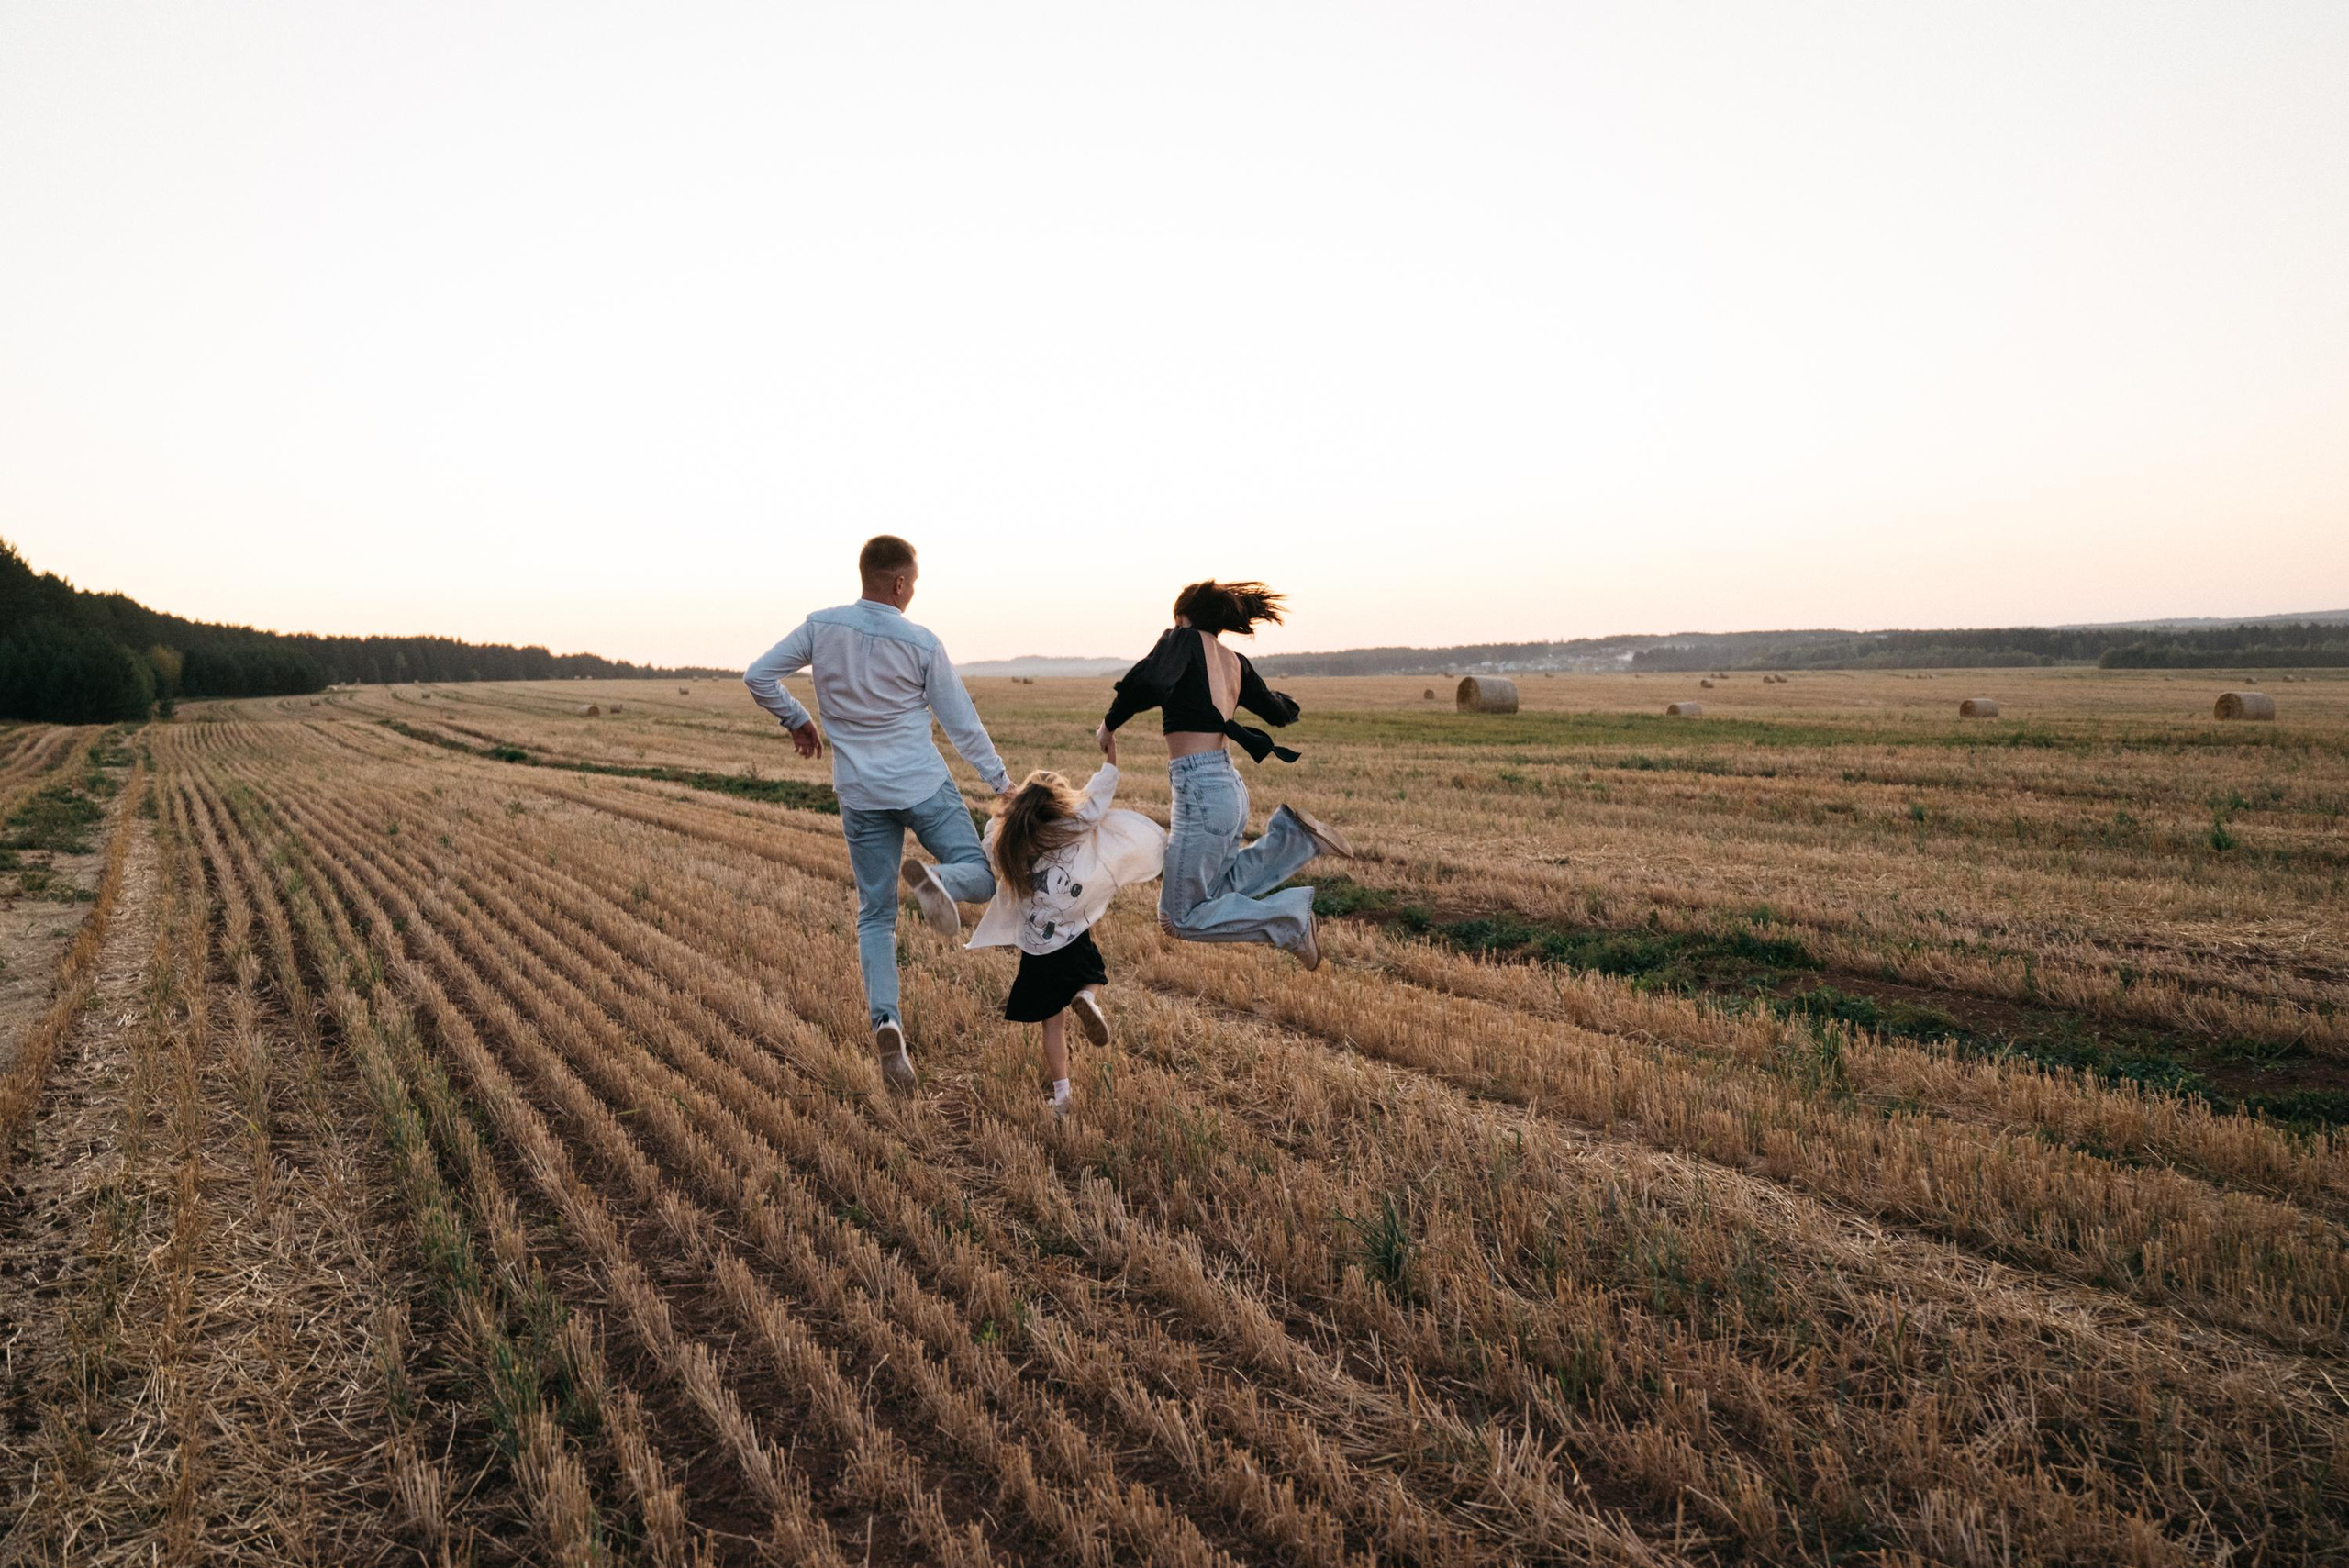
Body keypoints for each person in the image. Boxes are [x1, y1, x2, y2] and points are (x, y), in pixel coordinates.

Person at [743, 534, 1013, 1088]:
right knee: (983, 874)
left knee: (875, 916)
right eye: (913, 583)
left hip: (860, 796)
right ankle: (938, 878)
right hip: (921, 785)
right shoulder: (921, 641)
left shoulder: (821, 626)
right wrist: (1001, 782)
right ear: (897, 583)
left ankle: (887, 1023)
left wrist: (795, 717)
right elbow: (961, 722)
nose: (913, 592)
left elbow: (757, 675)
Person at [1097, 580, 1353, 967]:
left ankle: (1290, 921)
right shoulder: (1236, 662)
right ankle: (1294, 839)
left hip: (1200, 790)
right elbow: (1278, 712)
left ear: (1183, 617)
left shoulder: (1181, 640)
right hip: (1228, 788)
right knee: (1217, 891)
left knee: (1177, 918)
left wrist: (1109, 724)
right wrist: (1284, 701)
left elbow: (1150, 680)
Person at [966, 731, 1166, 1119]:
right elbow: (1098, 797)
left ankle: (1062, 1097)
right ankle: (1087, 998)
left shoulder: (1011, 842)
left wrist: (1005, 811)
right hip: (1073, 937)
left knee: (1051, 1025)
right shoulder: (1071, 826)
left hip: (1038, 950)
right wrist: (1111, 753)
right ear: (1059, 804)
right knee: (1094, 975)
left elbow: (988, 841)